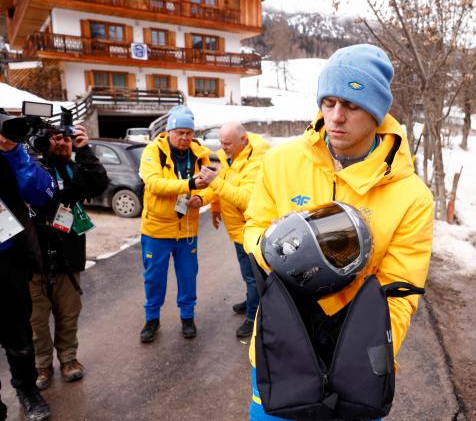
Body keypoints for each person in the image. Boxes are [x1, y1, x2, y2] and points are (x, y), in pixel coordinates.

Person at [243, 44, 434, 419]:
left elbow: (401, 291)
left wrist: (361, 356)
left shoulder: (412, 196)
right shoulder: (282, 161)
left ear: (377, 113)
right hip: (281, 352)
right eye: (328, 102)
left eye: (352, 105)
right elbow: (254, 227)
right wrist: (281, 254)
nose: (336, 117)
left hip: (356, 367)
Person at [29, 124, 109, 390]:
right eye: (53, 140)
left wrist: (84, 149)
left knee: (68, 314)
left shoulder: (73, 169)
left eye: (64, 139)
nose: (60, 144)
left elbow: (99, 182)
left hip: (68, 255)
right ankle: (41, 365)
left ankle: (68, 359)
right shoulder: (29, 167)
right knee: (36, 320)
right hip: (33, 259)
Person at [138, 105, 216, 343]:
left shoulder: (200, 154)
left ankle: (187, 316)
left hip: (187, 230)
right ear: (169, 132)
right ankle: (152, 318)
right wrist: (190, 184)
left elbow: (214, 186)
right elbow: (154, 185)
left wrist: (201, 198)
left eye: (188, 133)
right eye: (179, 132)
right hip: (157, 230)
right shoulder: (153, 152)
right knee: (154, 277)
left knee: (188, 275)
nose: (184, 138)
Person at [0, 113, 56, 421]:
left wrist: (13, 152)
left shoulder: (11, 152)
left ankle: (27, 390)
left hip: (8, 257)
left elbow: (41, 193)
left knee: (19, 335)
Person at [208, 122, 270, 338]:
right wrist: (215, 208)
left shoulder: (257, 162)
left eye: (227, 143)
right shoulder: (232, 156)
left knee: (254, 276)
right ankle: (250, 300)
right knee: (248, 275)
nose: (223, 147)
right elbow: (225, 182)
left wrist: (215, 182)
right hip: (237, 231)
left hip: (251, 231)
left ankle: (253, 318)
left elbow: (247, 199)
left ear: (242, 140)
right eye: (221, 143)